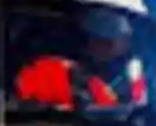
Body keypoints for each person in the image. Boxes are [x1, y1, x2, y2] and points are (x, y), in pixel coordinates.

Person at [14, 6, 146, 110]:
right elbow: (25, 105)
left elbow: (136, 110)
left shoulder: (134, 69)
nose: (126, 46)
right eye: (121, 40)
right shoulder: (49, 69)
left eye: (126, 40)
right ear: (94, 41)